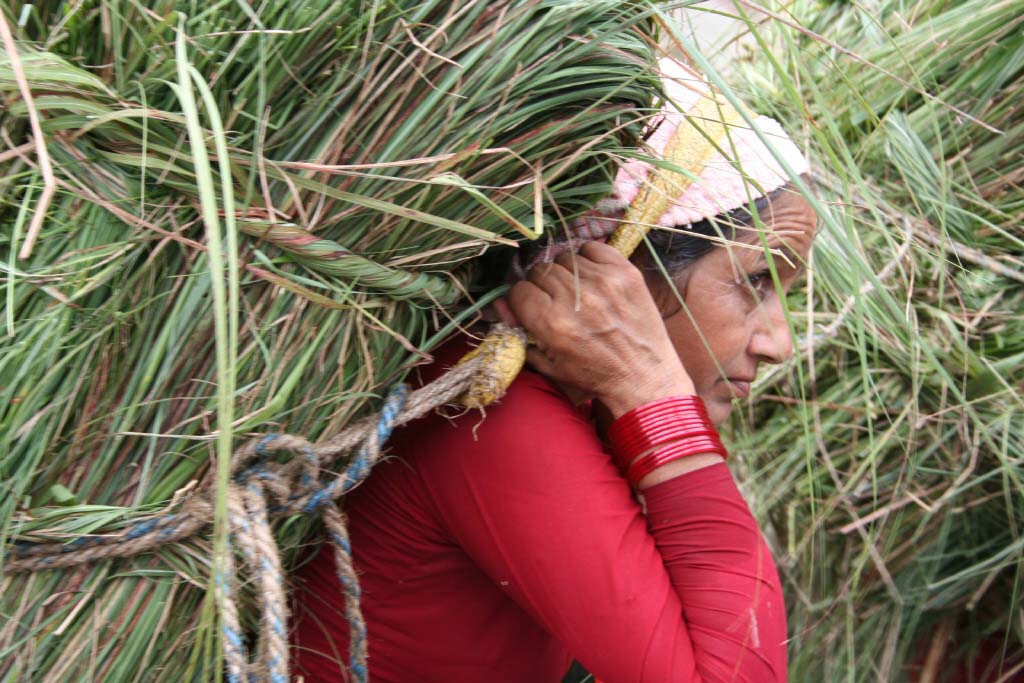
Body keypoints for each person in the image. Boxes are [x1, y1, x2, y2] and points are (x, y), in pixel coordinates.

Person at [290, 58, 817, 682]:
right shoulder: (493, 415)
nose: (780, 343)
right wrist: (653, 388)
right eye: (756, 280)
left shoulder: (567, 408)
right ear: (610, 270)